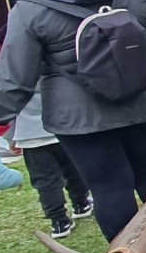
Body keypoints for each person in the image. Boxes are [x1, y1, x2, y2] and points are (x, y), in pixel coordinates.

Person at [0, 0, 146, 241]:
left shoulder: (30, 10)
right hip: (141, 102)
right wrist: (127, 72)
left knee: (110, 186)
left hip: (80, 117)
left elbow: (14, 80)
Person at [14, 91, 93, 238]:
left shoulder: (11, 69)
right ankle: (81, 204)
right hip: (64, 125)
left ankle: (59, 221)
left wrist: (11, 136)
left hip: (30, 134)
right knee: (74, 170)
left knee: (45, 182)